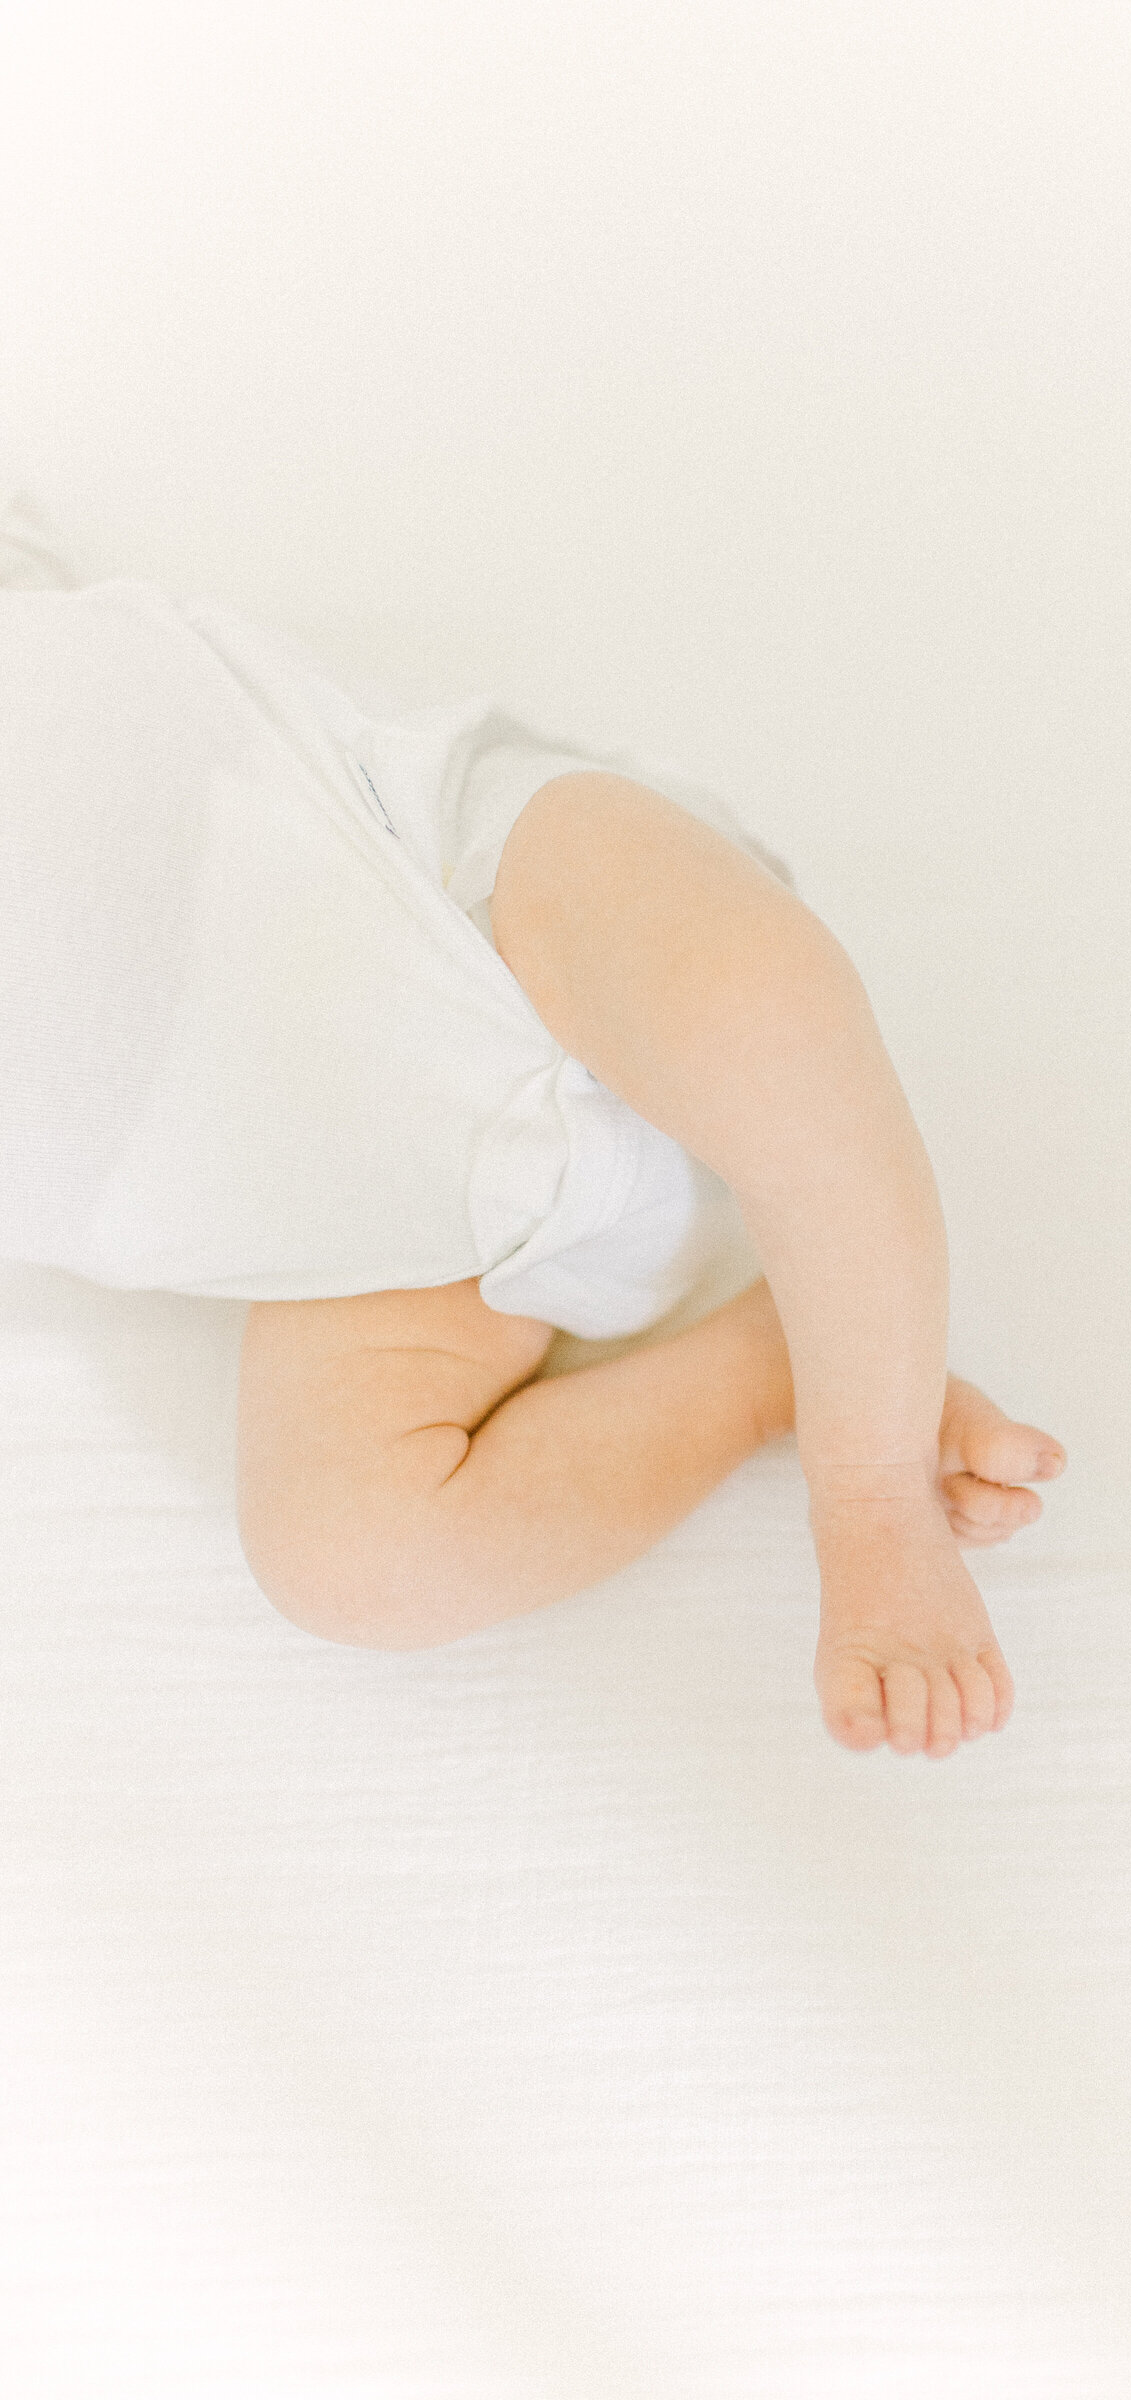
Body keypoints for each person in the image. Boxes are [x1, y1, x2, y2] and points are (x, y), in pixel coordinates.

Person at [1, 485, 1065, 1760]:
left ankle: (874, 1490)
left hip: (467, 898)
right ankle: (769, 1361)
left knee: (754, 1010)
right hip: (377, 1224)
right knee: (351, 1559)